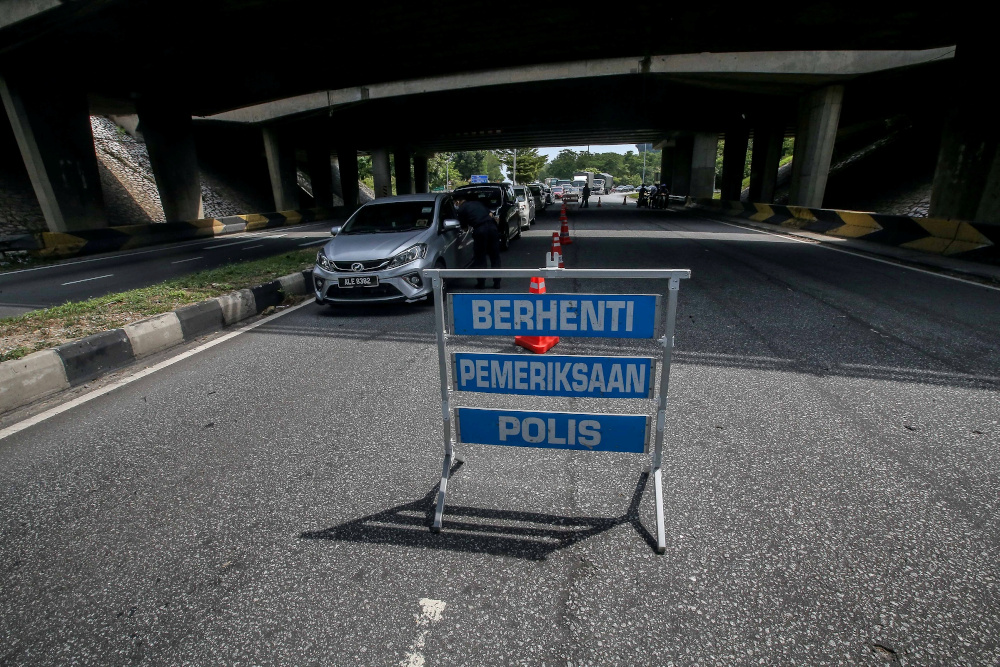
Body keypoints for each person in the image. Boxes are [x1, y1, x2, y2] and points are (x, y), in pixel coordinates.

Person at [453, 192, 501, 289]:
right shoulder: (477, 203)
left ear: (458, 201)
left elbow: (464, 227)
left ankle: (481, 283)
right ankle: (497, 283)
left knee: (480, 257)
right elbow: (491, 214)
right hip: (492, 228)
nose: (455, 204)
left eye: (455, 202)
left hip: (480, 230)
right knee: (494, 256)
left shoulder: (462, 209)